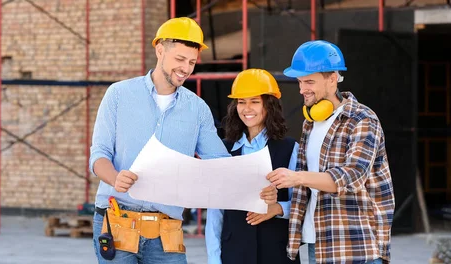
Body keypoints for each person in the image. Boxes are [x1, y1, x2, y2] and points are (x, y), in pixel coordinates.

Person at [89, 17, 278, 264]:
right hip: (116, 222)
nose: (186, 68)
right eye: (180, 59)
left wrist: (259, 187)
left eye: (192, 62)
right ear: (159, 50)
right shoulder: (119, 95)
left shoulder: (197, 109)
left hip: (167, 230)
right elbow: (99, 154)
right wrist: (115, 178)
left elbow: (220, 163)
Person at [266, 40, 395, 264]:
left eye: (309, 81)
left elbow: (351, 176)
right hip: (319, 242)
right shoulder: (311, 123)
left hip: (355, 246)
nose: (301, 89)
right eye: (299, 82)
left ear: (332, 78)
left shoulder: (362, 119)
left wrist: (296, 177)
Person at [205, 69, 300, 264]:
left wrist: (277, 208)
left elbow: (301, 204)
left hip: (277, 253)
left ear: (269, 105)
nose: (247, 109)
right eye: (241, 102)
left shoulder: (290, 149)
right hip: (234, 253)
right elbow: (215, 212)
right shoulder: (223, 150)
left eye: (255, 101)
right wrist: (214, 259)